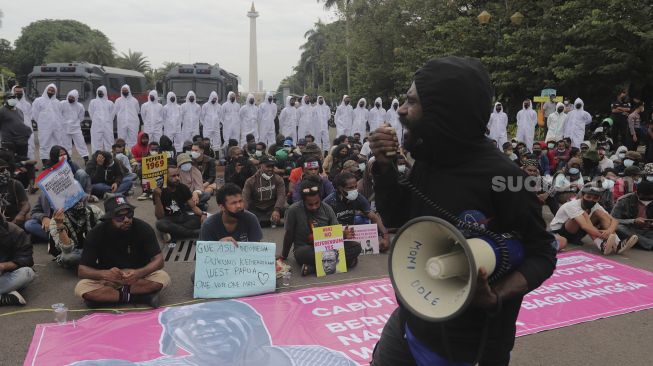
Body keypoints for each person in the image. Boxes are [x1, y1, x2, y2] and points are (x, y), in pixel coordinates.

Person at [368, 56, 556, 365]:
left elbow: (543, 253)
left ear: (444, 111)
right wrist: (385, 169)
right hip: (411, 323)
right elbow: (396, 219)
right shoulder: (428, 160)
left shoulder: (505, 177)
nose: (401, 110)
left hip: (471, 347)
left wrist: (496, 296)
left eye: (412, 102)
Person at [72, 300, 357, 366]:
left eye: (213, 317)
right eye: (182, 325)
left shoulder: (320, 359)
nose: (198, 327)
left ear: (251, 324)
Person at [75, 196, 170, 308]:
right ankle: (142, 297)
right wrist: (105, 274)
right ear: (109, 218)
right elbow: (82, 270)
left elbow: (159, 261)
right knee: (81, 287)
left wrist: (139, 273)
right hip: (109, 279)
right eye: (120, 217)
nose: (126, 220)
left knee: (163, 277)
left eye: (129, 215)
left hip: (138, 277)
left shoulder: (143, 228)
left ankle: (108, 298)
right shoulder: (96, 234)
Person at [281, 177, 361, 276]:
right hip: (306, 249)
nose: (314, 207)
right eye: (310, 204)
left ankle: (313, 268)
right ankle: (346, 262)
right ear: (303, 201)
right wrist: (283, 255)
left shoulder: (327, 209)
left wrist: (343, 234)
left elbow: (335, 233)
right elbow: (289, 234)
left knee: (356, 247)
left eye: (316, 203)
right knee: (302, 254)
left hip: (329, 249)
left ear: (320, 198)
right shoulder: (293, 210)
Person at [550, 184, 638, 254]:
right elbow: (584, 226)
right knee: (584, 215)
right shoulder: (572, 205)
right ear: (582, 196)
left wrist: (610, 231)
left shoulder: (596, 205)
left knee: (599, 213)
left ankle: (617, 244)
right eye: (588, 197)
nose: (591, 200)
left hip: (578, 233)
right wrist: (603, 235)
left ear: (599, 199)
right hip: (560, 232)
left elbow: (614, 221)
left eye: (595, 198)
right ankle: (603, 244)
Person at [324, 172, 390, 252]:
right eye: (350, 188)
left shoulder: (358, 198)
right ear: (340, 188)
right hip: (334, 236)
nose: (354, 190)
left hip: (350, 234)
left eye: (355, 187)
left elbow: (374, 217)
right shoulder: (329, 202)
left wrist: (386, 237)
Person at [153, 166, 206, 243]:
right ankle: (194, 233)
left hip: (182, 217)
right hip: (168, 219)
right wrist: (157, 196)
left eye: (178, 175)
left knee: (198, 219)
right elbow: (159, 216)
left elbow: (193, 207)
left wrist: (203, 214)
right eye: (173, 176)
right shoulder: (159, 191)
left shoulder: (183, 188)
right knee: (160, 224)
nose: (177, 178)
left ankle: (174, 234)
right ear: (165, 177)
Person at [48, 197, 103, 268]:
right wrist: (60, 225)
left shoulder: (93, 210)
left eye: (78, 198)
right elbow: (67, 250)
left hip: (92, 249)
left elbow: (106, 232)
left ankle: (91, 261)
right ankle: (95, 261)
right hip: (74, 252)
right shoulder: (55, 221)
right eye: (73, 201)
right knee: (69, 257)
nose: (78, 203)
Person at [0, 214, 34, 306]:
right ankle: (4, 298)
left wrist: (3, 266)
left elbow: (27, 259)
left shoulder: (15, 231)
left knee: (27, 273)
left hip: (8, 275)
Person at [242, 156, 286, 227]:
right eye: (268, 166)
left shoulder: (279, 179)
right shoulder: (250, 181)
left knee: (291, 211)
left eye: (272, 166)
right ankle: (273, 221)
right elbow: (245, 198)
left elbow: (281, 195)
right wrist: (243, 213)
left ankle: (272, 219)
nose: (270, 169)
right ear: (260, 166)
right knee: (251, 217)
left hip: (272, 208)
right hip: (256, 209)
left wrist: (276, 210)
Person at [611, 179, 653, 250]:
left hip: (649, 230)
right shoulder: (624, 200)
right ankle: (649, 244)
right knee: (618, 227)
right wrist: (633, 221)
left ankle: (637, 242)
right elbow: (612, 219)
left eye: (650, 198)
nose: (647, 200)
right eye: (644, 197)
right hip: (630, 229)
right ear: (637, 193)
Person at [31, 83, 62, 167]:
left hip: (56, 127)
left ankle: (55, 161)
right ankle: (45, 163)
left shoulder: (57, 102)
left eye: (53, 90)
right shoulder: (38, 100)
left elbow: (60, 115)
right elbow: (34, 114)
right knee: (44, 144)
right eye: (49, 90)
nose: (51, 91)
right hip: (44, 127)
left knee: (57, 144)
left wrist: (58, 124)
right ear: (46, 90)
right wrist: (42, 122)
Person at [59, 89, 89, 163]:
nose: (71, 99)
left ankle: (86, 158)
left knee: (81, 143)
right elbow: (58, 114)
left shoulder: (80, 106)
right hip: (64, 128)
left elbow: (81, 117)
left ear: (76, 98)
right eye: (70, 97)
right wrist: (63, 122)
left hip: (76, 128)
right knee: (66, 145)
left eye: (73, 98)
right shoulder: (62, 103)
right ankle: (66, 160)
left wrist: (75, 123)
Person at [0, 93, 33, 160]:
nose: (12, 99)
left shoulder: (19, 111)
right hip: (9, 142)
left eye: (13, 98)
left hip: (22, 141)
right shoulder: (2, 111)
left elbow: (20, 123)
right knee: (10, 160)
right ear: (5, 100)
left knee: (23, 160)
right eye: (10, 98)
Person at [0, 159, 29, 228]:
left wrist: (21, 214)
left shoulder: (15, 184)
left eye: (3, 169)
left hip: (14, 218)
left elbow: (25, 204)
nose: (2, 172)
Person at [10, 85, 35, 160]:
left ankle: (30, 163)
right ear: (13, 92)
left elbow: (31, 116)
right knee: (15, 146)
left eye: (20, 92)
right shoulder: (10, 104)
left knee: (30, 145)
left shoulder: (27, 104)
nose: (18, 93)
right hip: (14, 129)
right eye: (17, 92)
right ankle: (18, 164)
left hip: (27, 128)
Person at [88, 86, 115, 153]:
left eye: (101, 92)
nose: (100, 93)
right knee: (96, 142)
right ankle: (96, 158)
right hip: (96, 126)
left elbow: (113, 114)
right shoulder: (93, 102)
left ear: (105, 92)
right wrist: (96, 120)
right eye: (99, 92)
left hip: (107, 126)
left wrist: (108, 121)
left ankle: (109, 157)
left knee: (109, 142)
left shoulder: (110, 103)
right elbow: (91, 112)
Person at [114, 84, 141, 149]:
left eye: (126, 90)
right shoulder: (118, 100)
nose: (124, 91)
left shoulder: (134, 100)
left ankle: (133, 153)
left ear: (129, 91)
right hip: (122, 123)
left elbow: (137, 110)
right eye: (123, 90)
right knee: (121, 138)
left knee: (133, 138)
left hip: (133, 122)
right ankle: (122, 153)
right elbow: (116, 111)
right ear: (121, 91)